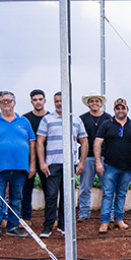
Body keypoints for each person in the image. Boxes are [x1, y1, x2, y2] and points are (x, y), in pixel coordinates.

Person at [0, 91, 36, 242]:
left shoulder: (23, 121)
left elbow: (32, 143)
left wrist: (32, 165)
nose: (6, 103)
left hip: (20, 168)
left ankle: (12, 227)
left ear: (14, 103)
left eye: (9, 100)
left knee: (16, 198)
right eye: (3, 101)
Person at [37, 92, 89, 238]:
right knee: (51, 196)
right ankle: (47, 227)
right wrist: (42, 162)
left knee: (67, 197)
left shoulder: (76, 120)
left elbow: (84, 142)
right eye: (57, 101)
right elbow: (40, 141)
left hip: (70, 165)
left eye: (62, 100)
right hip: (52, 164)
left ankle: (63, 225)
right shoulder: (47, 119)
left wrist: (81, 163)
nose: (59, 103)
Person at [96, 97, 131, 235]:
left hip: (127, 167)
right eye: (118, 108)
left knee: (122, 194)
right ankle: (104, 222)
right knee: (108, 194)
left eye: (123, 108)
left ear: (127, 109)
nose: (120, 110)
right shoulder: (106, 125)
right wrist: (99, 162)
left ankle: (118, 219)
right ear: (114, 110)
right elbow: (97, 143)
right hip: (110, 166)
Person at [77, 90, 110, 222]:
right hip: (87, 157)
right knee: (85, 187)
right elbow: (77, 137)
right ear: (88, 104)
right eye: (92, 101)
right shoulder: (82, 119)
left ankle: (109, 212)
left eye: (97, 101)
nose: (94, 103)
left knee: (107, 187)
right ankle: (84, 212)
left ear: (101, 103)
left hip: (105, 157)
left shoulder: (108, 118)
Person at [20, 89, 49, 224]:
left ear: (44, 100)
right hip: (28, 159)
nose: (38, 102)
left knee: (49, 190)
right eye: (35, 100)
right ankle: (26, 217)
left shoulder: (50, 117)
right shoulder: (25, 119)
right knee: (26, 189)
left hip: (47, 160)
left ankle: (51, 218)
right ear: (31, 101)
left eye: (40, 99)